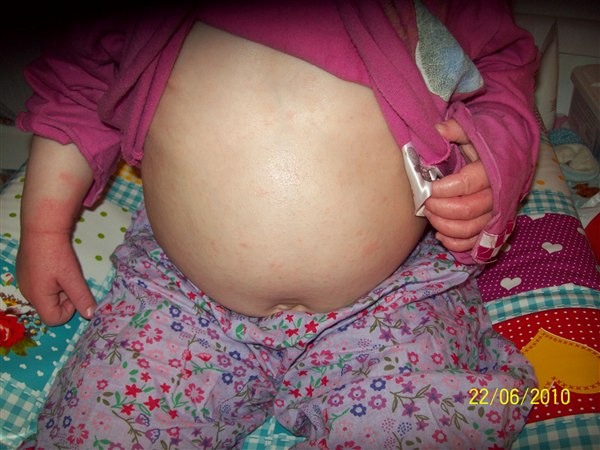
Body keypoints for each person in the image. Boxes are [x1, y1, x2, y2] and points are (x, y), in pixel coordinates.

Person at [15, 0, 540, 448]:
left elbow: (498, 77)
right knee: (99, 430)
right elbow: (79, 84)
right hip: (181, 298)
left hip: (393, 298)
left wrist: (491, 165)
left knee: (426, 425)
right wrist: (43, 230)